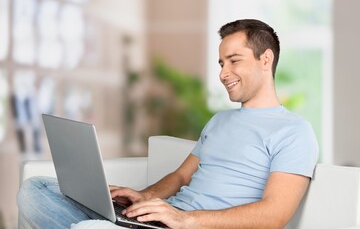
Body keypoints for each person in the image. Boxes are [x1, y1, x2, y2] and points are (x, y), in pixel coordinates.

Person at [17, 19, 319, 229]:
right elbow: (181, 176)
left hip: (192, 225)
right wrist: (144, 197)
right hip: (167, 220)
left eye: (234, 60)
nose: (223, 73)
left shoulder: (294, 132)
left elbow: (274, 215)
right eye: (221, 63)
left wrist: (185, 220)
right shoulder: (220, 120)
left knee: (90, 228)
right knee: (36, 188)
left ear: (265, 59)